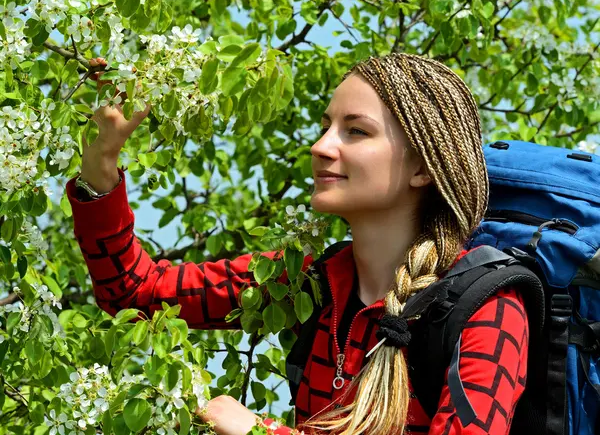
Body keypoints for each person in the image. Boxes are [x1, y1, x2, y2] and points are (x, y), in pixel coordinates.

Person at [66, 53, 529, 435]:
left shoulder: (486, 306)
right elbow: (136, 293)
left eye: (356, 131)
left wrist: (261, 432)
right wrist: (100, 163)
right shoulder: (308, 283)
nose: (321, 146)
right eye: (326, 126)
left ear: (422, 169)